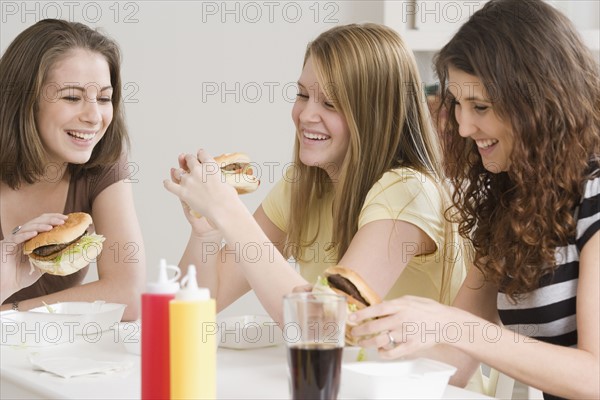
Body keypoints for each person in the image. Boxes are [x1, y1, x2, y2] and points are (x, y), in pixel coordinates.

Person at [349, 1, 599, 399]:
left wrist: (453, 325)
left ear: (538, 102)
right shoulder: (512, 201)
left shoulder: (595, 197)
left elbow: (595, 377)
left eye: (480, 107)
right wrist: (382, 354)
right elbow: (454, 359)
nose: (464, 127)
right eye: (458, 105)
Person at [163, 23, 468, 325]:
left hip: (426, 376)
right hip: (343, 374)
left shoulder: (407, 191)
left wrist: (229, 212)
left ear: (375, 116)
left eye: (331, 103)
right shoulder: (304, 185)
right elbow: (193, 308)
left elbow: (323, 323)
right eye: (302, 94)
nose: (306, 115)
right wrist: (208, 232)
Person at [0, 19, 146, 321]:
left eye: (104, 98)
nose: (94, 117)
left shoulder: (101, 162)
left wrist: (9, 314)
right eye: (71, 97)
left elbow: (127, 294)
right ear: (24, 100)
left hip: (44, 361)